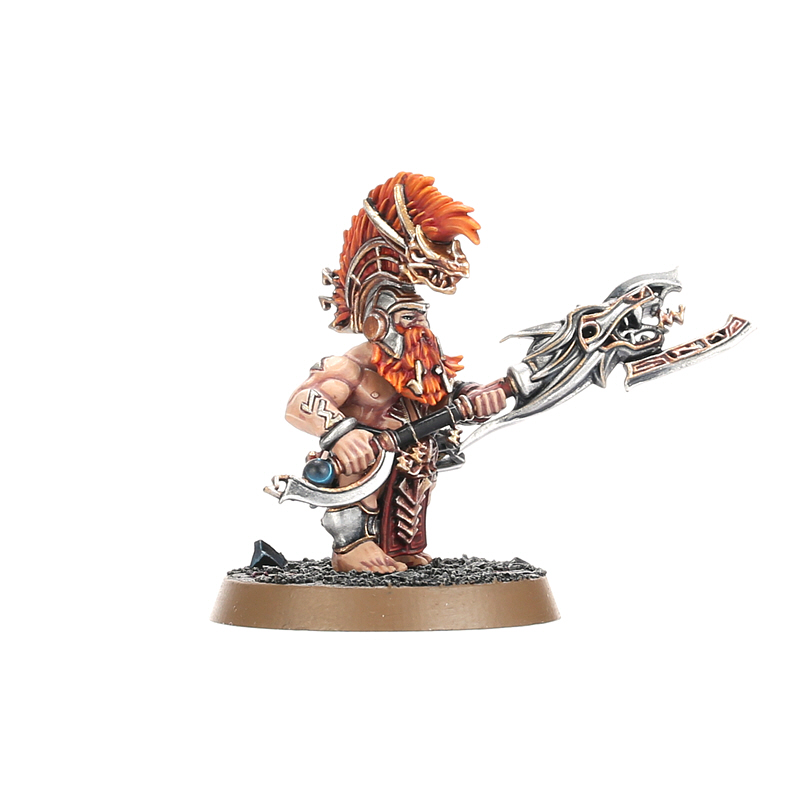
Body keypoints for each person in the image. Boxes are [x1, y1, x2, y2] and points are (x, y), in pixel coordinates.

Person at [285, 173, 506, 573]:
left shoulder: (416, 369)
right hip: (362, 472)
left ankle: (399, 547)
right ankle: (351, 546)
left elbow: (444, 398)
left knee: (419, 470)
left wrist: (476, 395)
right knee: (361, 456)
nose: (420, 327)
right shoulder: (350, 367)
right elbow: (302, 402)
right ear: (376, 324)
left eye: (421, 315)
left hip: (409, 469)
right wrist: (341, 433)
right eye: (407, 317)